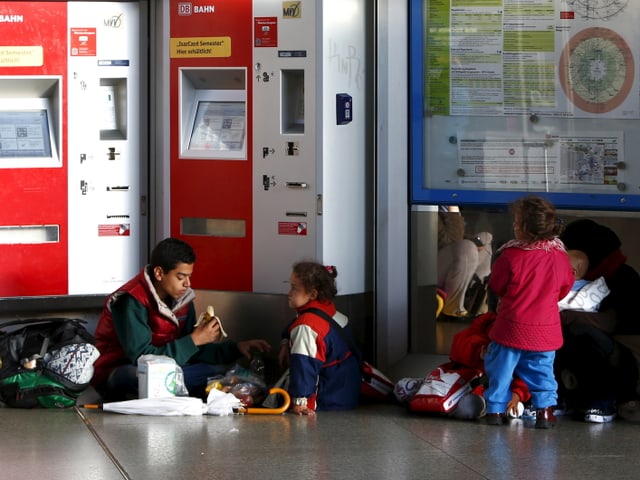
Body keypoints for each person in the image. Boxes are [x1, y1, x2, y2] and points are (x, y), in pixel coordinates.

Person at [91, 237, 271, 401]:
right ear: (159, 274)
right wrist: (194, 340)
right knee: (146, 376)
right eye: (180, 277)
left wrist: (237, 348)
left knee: (222, 368)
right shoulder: (130, 300)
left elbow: (194, 350)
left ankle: (190, 386)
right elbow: (142, 359)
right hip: (120, 370)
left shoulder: (182, 298)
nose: (188, 284)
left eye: (189, 276)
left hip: (170, 367)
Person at [483, 195, 574, 428]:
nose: (513, 226)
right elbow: (564, 288)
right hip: (546, 330)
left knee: (500, 369)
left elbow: (496, 285)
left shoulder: (511, 256)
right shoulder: (560, 256)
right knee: (543, 370)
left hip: (511, 327)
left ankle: (495, 411)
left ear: (525, 229)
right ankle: (545, 411)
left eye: (516, 222)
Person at [556, 219, 640, 423]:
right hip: (592, 347)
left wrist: (566, 316)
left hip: (621, 352)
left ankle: (603, 400)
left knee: (582, 334)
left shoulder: (621, 277)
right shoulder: (577, 279)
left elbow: (612, 321)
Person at [278, 261, 361, 415]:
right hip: (347, 395)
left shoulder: (307, 326)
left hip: (325, 402)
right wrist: (285, 342)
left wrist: (299, 402)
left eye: (294, 288)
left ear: (313, 294)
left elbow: (304, 367)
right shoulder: (329, 312)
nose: (289, 293)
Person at [437, 206, 493, 318]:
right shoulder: (428, 207)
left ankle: (475, 302)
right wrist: (453, 210)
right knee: (466, 247)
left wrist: (473, 242)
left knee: (485, 237)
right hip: (430, 269)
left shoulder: (443, 206)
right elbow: (452, 240)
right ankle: (453, 309)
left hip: (450, 263)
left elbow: (458, 236)